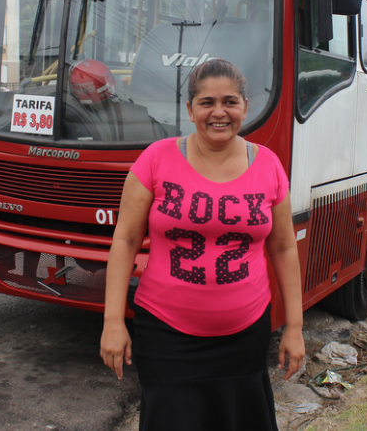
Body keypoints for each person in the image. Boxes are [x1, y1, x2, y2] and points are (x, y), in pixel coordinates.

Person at [100, 58, 305, 431]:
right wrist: (112, 322)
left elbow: (283, 249)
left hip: (245, 338)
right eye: (207, 102)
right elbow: (125, 241)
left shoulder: (269, 166)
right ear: (190, 110)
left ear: (245, 107)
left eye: (230, 102)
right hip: (166, 337)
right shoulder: (155, 159)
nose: (219, 112)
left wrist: (295, 327)